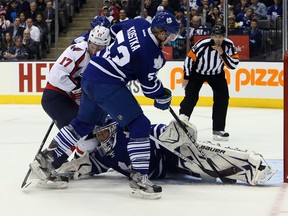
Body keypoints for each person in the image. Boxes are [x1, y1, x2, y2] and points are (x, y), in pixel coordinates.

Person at [30, 11, 180, 200]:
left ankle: (45, 159)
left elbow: (113, 30)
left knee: (83, 124)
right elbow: (149, 88)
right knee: (140, 124)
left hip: (90, 75)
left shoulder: (139, 23)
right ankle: (140, 179)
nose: (171, 40)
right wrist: (163, 96)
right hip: (108, 84)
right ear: (162, 33)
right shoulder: (154, 55)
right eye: (171, 36)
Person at [33, 119, 276, 193]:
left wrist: (177, 130)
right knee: (205, 172)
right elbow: (83, 165)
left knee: (203, 159)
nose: (103, 135)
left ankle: (250, 165)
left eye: (105, 130)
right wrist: (60, 171)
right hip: (163, 173)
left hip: (168, 157)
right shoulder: (101, 155)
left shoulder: (128, 131)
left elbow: (158, 131)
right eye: (99, 133)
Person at [41, 25, 111, 130]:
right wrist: (77, 89)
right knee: (77, 130)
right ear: (89, 41)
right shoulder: (78, 51)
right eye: (93, 45)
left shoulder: (103, 59)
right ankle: (57, 147)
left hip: (70, 99)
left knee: (90, 128)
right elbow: (58, 75)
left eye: (99, 47)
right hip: (56, 96)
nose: (95, 49)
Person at [179, 24, 239, 141]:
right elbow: (189, 59)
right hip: (197, 74)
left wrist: (222, 53)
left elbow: (233, 65)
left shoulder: (229, 45)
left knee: (222, 98)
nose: (218, 39)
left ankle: (218, 129)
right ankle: (181, 125)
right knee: (191, 98)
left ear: (224, 36)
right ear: (212, 36)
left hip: (217, 75)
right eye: (216, 36)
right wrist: (186, 77)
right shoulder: (202, 44)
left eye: (221, 36)